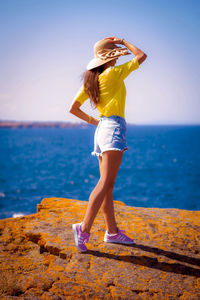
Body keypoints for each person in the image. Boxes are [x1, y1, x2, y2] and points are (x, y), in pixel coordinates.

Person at [69, 36, 147, 252]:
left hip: (102, 129)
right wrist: (124, 41)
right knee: (105, 183)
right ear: (110, 57)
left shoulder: (91, 81)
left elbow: (73, 108)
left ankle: (112, 232)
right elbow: (141, 56)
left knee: (107, 185)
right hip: (113, 128)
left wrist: (95, 121)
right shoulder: (113, 73)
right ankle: (83, 229)